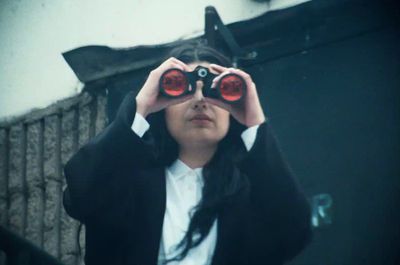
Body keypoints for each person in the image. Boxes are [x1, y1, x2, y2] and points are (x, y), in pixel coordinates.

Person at [63, 41, 313, 265]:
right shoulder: (126, 183)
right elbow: (81, 195)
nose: (200, 100)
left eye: (215, 91)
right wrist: (140, 107)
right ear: (164, 104)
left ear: (231, 108)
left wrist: (255, 123)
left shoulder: (252, 193)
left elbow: (295, 233)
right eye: (182, 88)